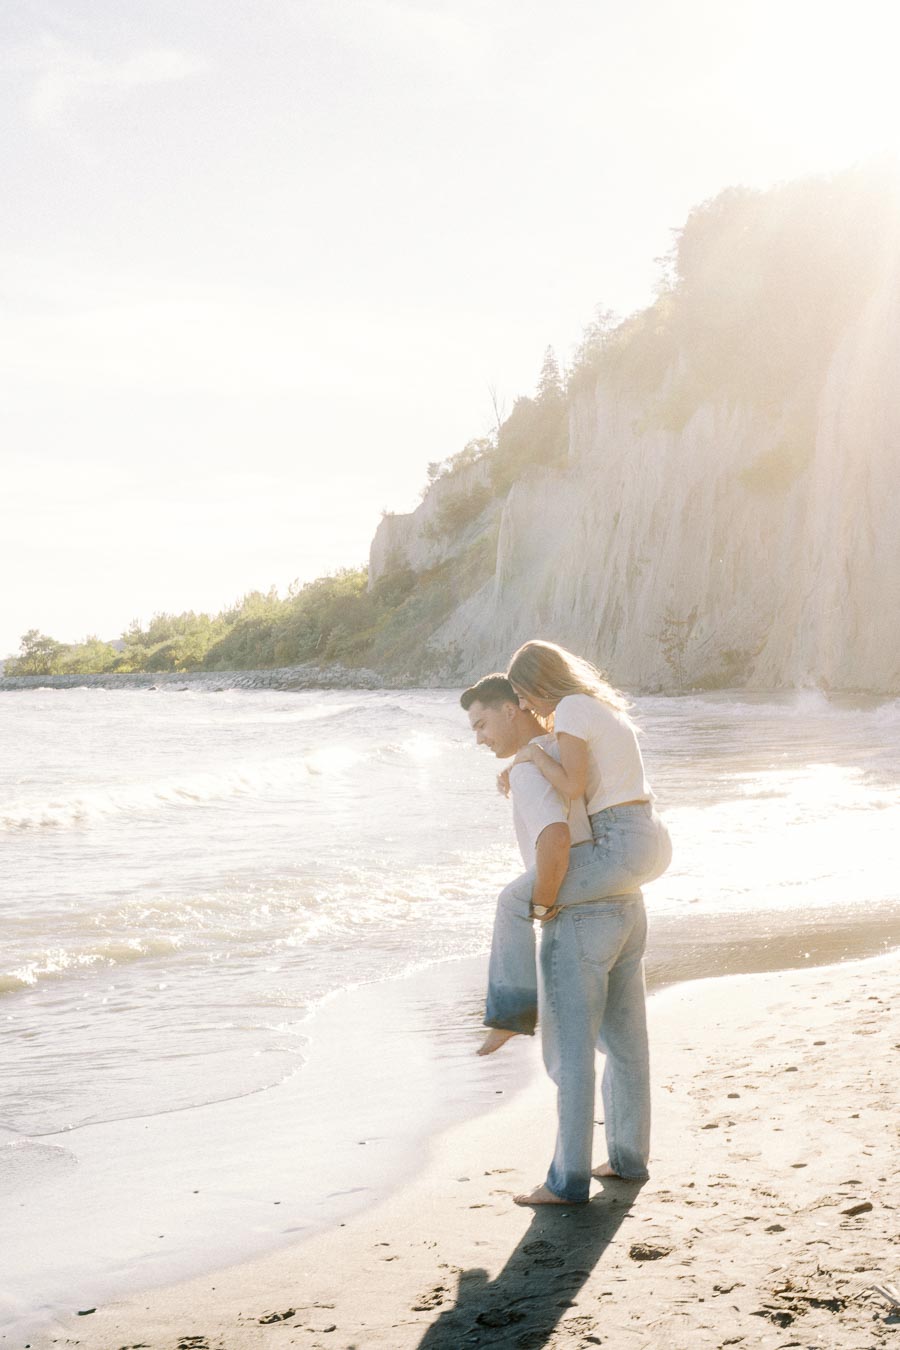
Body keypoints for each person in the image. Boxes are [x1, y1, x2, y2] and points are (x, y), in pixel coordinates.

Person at [461, 674, 655, 1204]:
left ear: (512, 708)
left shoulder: (529, 766)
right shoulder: (561, 748)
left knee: (569, 1058)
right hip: (626, 904)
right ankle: (627, 1159)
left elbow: (554, 839)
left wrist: (545, 901)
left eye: (482, 723)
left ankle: (566, 1182)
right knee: (626, 1046)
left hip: (579, 918)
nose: (479, 736)